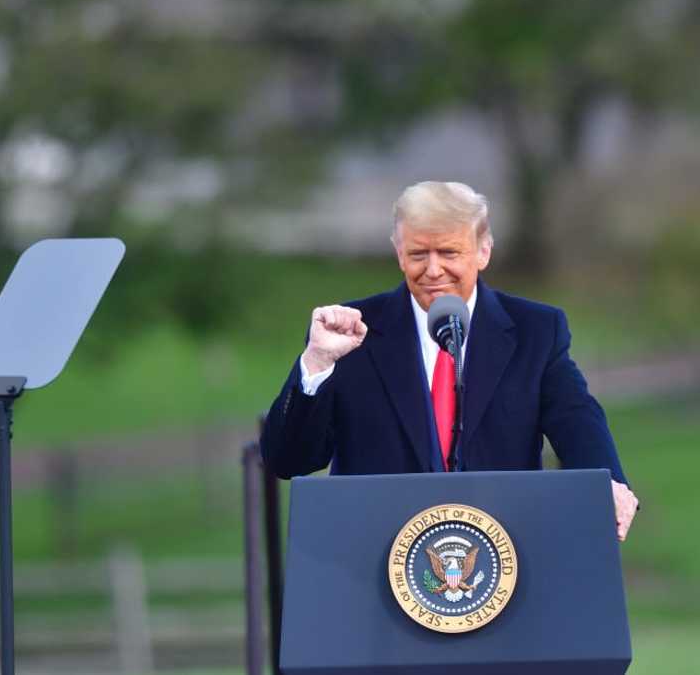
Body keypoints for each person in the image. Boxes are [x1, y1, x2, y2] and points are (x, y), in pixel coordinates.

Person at [262, 181, 640, 540]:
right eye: (417, 254)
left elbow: (576, 417)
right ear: (398, 252)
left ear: (483, 251)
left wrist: (605, 483)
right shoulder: (352, 332)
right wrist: (316, 364)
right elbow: (287, 460)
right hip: (373, 563)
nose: (433, 270)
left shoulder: (535, 331)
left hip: (503, 561)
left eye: (448, 253)